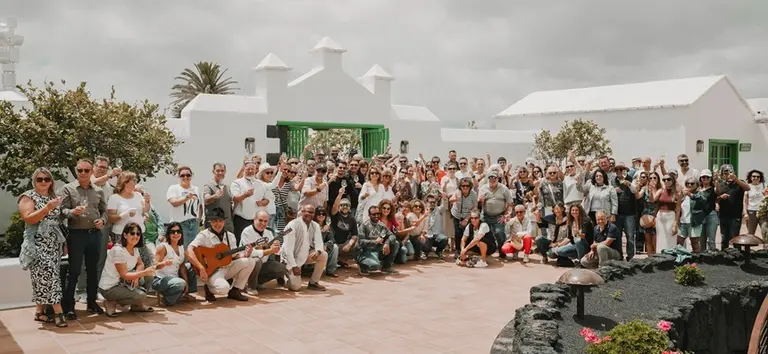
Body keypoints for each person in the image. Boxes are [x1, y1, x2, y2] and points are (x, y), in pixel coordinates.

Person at [18, 168, 67, 327]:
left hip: (53, 245)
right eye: (40, 179)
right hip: (37, 245)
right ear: (34, 181)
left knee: (44, 279)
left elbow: (58, 221)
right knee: (51, 278)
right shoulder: (28, 197)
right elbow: (28, 219)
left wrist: (63, 243)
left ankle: (39, 312)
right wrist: (47, 208)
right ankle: (59, 312)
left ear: (51, 181)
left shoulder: (52, 197)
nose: (44, 182)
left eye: (47, 179)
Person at [59, 158, 108, 319]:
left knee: (92, 270)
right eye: (80, 170)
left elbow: (104, 211)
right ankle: (69, 306)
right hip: (76, 235)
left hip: (94, 234)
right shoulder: (68, 188)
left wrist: (102, 220)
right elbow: (62, 211)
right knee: (74, 271)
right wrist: (73, 212)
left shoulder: (98, 191)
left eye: (87, 170)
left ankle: (92, 303)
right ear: (76, 170)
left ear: (92, 171)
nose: (83, 173)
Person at [99, 223, 170, 316]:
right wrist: (142, 273)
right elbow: (124, 275)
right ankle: (111, 301)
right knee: (141, 295)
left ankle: (136, 305)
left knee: (149, 276)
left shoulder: (134, 248)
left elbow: (140, 264)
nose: (135, 236)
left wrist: (137, 275)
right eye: (132, 233)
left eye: (138, 234)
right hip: (110, 287)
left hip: (123, 282)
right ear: (124, 235)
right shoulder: (118, 251)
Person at [186, 207, 255, 302]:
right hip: (211, 271)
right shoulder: (203, 235)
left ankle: (235, 290)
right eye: (214, 221)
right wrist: (201, 267)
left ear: (224, 221)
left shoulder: (230, 236)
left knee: (250, 261)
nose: (217, 224)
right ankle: (209, 288)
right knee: (223, 289)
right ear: (210, 222)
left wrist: (246, 254)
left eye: (220, 221)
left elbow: (234, 256)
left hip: (227, 267)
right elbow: (189, 250)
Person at [281, 205, 328, 291]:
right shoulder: (292, 225)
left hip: (305, 255)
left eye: (312, 212)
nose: (310, 214)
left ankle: (313, 282)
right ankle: (283, 275)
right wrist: (294, 266)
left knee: (323, 255)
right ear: (302, 212)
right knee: (296, 287)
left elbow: (319, 241)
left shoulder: (315, 225)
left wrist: (318, 251)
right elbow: (287, 250)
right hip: (291, 259)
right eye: (308, 212)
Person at [240, 211, 286, 294]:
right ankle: (250, 286)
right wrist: (269, 250)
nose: (263, 223)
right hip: (248, 265)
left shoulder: (268, 232)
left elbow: (276, 253)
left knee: (281, 268)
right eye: (260, 220)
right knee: (256, 260)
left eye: (265, 221)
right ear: (254, 219)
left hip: (263, 264)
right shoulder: (247, 232)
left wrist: (277, 247)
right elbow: (250, 253)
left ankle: (258, 282)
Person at [152, 222, 190, 306]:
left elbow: (182, 265)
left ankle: (183, 293)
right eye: (173, 232)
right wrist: (163, 263)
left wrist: (187, 282)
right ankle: (165, 298)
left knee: (191, 267)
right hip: (160, 279)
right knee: (181, 283)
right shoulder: (163, 247)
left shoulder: (181, 247)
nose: (176, 234)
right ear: (168, 234)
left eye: (178, 231)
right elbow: (154, 266)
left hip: (174, 278)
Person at [356, 206, 400, 275]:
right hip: (367, 251)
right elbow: (361, 241)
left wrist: (387, 243)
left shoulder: (382, 225)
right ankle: (362, 266)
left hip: (378, 250)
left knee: (396, 243)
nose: (376, 216)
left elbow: (392, 235)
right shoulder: (364, 225)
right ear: (369, 215)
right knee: (374, 266)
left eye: (378, 214)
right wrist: (375, 242)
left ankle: (386, 267)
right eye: (374, 214)